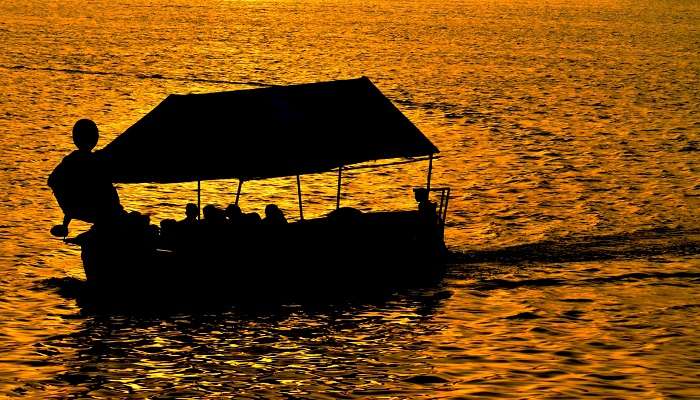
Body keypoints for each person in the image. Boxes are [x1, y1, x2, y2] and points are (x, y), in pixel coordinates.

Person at [48, 119, 122, 236]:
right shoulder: (98, 161)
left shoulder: (72, 160)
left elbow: (52, 180)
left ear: (75, 138)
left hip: (96, 210)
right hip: (102, 210)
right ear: (95, 139)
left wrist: (68, 207)